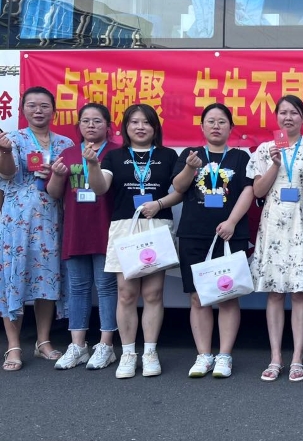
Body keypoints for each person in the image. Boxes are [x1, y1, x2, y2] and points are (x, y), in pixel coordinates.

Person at [87, 103, 181, 379]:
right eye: (134, 122)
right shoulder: (114, 156)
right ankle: (128, 353)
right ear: (125, 127)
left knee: (153, 294)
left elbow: (180, 190)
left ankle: (150, 352)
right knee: (126, 294)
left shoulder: (167, 155)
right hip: (125, 228)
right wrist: (92, 164)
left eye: (146, 122)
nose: (140, 127)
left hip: (156, 226)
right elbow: (100, 187)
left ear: (155, 127)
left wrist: (159, 203)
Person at [248, 95, 303, 383]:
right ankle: (275, 358)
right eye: (282, 112)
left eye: (294, 112)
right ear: (276, 117)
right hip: (273, 228)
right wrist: (274, 165)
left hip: (301, 225)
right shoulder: (266, 150)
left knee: (300, 293)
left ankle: (297, 359)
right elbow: (258, 191)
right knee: (275, 293)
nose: (288, 117)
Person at [172, 103, 254, 379]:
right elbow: (179, 187)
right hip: (194, 234)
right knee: (198, 298)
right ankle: (204, 355)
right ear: (202, 127)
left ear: (231, 127)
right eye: (211, 121)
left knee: (227, 296)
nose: (216, 126)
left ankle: (225, 356)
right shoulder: (190, 154)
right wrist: (189, 168)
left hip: (230, 234)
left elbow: (249, 191)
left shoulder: (240, 157)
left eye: (222, 121)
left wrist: (231, 222)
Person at [0, 87, 73, 371]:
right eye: (32, 105)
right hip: (17, 221)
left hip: (51, 219)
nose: (38, 110)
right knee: (13, 280)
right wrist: (5, 151)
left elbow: (73, 184)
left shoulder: (65, 143)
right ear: (22, 110)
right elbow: (7, 173)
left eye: (44, 105)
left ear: (54, 110)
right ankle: (13, 346)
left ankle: (43, 341)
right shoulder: (13, 139)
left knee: (47, 279)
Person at [46, 104, 120, 370]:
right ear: (78, 125)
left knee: (106, 287)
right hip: (76, 229)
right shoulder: (67, 153)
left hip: (106, 229)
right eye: (86, 120)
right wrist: (57, 175)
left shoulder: (116, 153)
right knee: (77, 288)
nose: (91, 125)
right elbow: (54, 193)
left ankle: (106, 345)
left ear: (108, 126)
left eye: (97, 121)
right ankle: (77, 346)